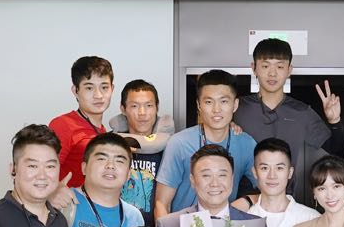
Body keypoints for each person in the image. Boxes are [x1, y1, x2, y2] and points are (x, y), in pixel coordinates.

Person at [233, 36, 344, 207]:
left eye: (280, 66)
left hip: (285, 205)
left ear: (289, 70)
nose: (272, 73)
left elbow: (339, 152)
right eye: (265, 66)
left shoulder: (301, 112)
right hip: (243, 204)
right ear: (254, 68)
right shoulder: (237, 108)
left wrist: (335, 120)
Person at [154, 70, 256, 218]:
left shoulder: (246, 144)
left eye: (224, 101)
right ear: (199, 105)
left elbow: (271, 188)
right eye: (209, 102)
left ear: (235, 105)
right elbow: (161, 203)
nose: (216, 110)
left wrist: (248, 200)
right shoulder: (179, 143)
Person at [235, 137, 319, 227]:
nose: (272, 176)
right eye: (264, 168)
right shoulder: (242, 219)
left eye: (279, 168)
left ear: (290, 172)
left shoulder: (311, 219)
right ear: (255, 172)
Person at [50, 55, 115, 190]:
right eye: (89, 88)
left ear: (112, 89)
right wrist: (54, 192)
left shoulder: (103, 131)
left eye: (104, 87)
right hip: (66, 202)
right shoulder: (63, 125)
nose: (98, 95)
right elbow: (44, 169)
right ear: (75, 91)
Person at [111, 79, 172, 213]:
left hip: (156, 223)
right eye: (134, 106)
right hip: (115, 222)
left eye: (149, 105)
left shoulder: (171, 146)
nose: (142, 113)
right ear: (123, 109)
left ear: (157, 108)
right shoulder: (109, 144)